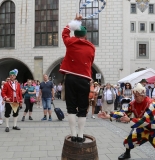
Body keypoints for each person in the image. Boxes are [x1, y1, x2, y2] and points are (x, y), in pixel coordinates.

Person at [98, 83, 155, 160]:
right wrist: (108, 116)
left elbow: (147, 120)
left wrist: (129, 119)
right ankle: (127, 153)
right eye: (134, 96)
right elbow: (123, 111)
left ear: (142, 95)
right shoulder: (133, 103)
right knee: (128, 141)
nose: (135, 98)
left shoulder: (151, 104)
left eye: (137, 96)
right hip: (141, 128)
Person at [59, 13, 95, 143]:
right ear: (85, 35)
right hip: (84, 79)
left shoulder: (70, 42)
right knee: (83, 108)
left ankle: (73, 134)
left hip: (70, 78)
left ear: (75, 34)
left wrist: (74, 21)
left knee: (71, 107)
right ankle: (80, 135)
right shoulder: (91, 47)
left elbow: (64, 33)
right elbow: (91, 61)